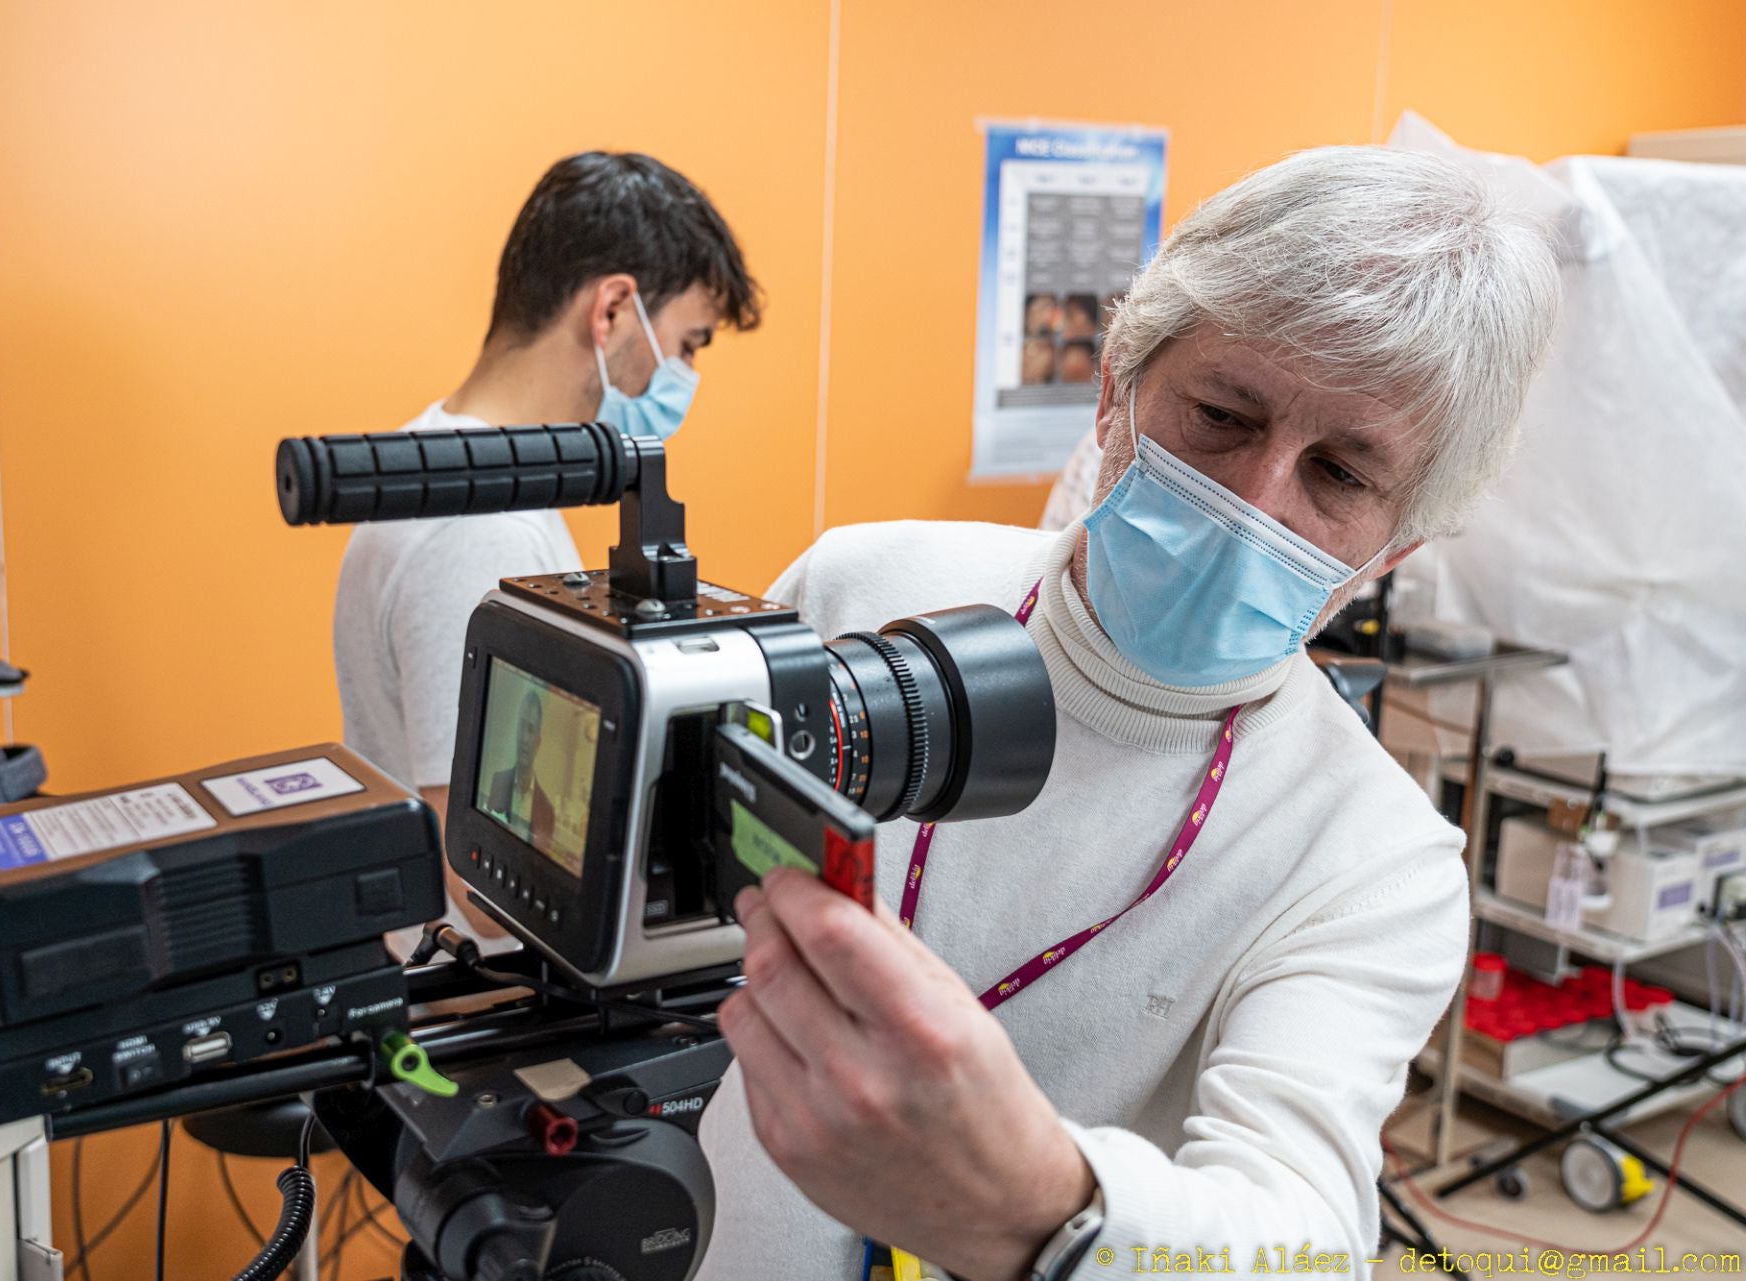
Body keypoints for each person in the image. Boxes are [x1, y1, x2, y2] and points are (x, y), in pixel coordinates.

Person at [696, 146, 1560, 1281]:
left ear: (1393, 553)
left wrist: (1038, 1209)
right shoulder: (863, 591)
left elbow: (1304, 1237)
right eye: (1221, 414)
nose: (1255, 503)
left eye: (1341, 476)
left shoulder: (1372, 861)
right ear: (1114, 390)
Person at [333, 151, 759, 941]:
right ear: (612, 312)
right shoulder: (482, 526)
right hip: (467, 996)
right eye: (689, 344)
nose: (687, 375)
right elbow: (481, 882)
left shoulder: (441, 461)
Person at [486, 691, 555, 852]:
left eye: (530, 730)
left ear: (538, 742)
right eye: (522, 727)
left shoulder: (547, 811)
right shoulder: (498, 781)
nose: (524, 738)